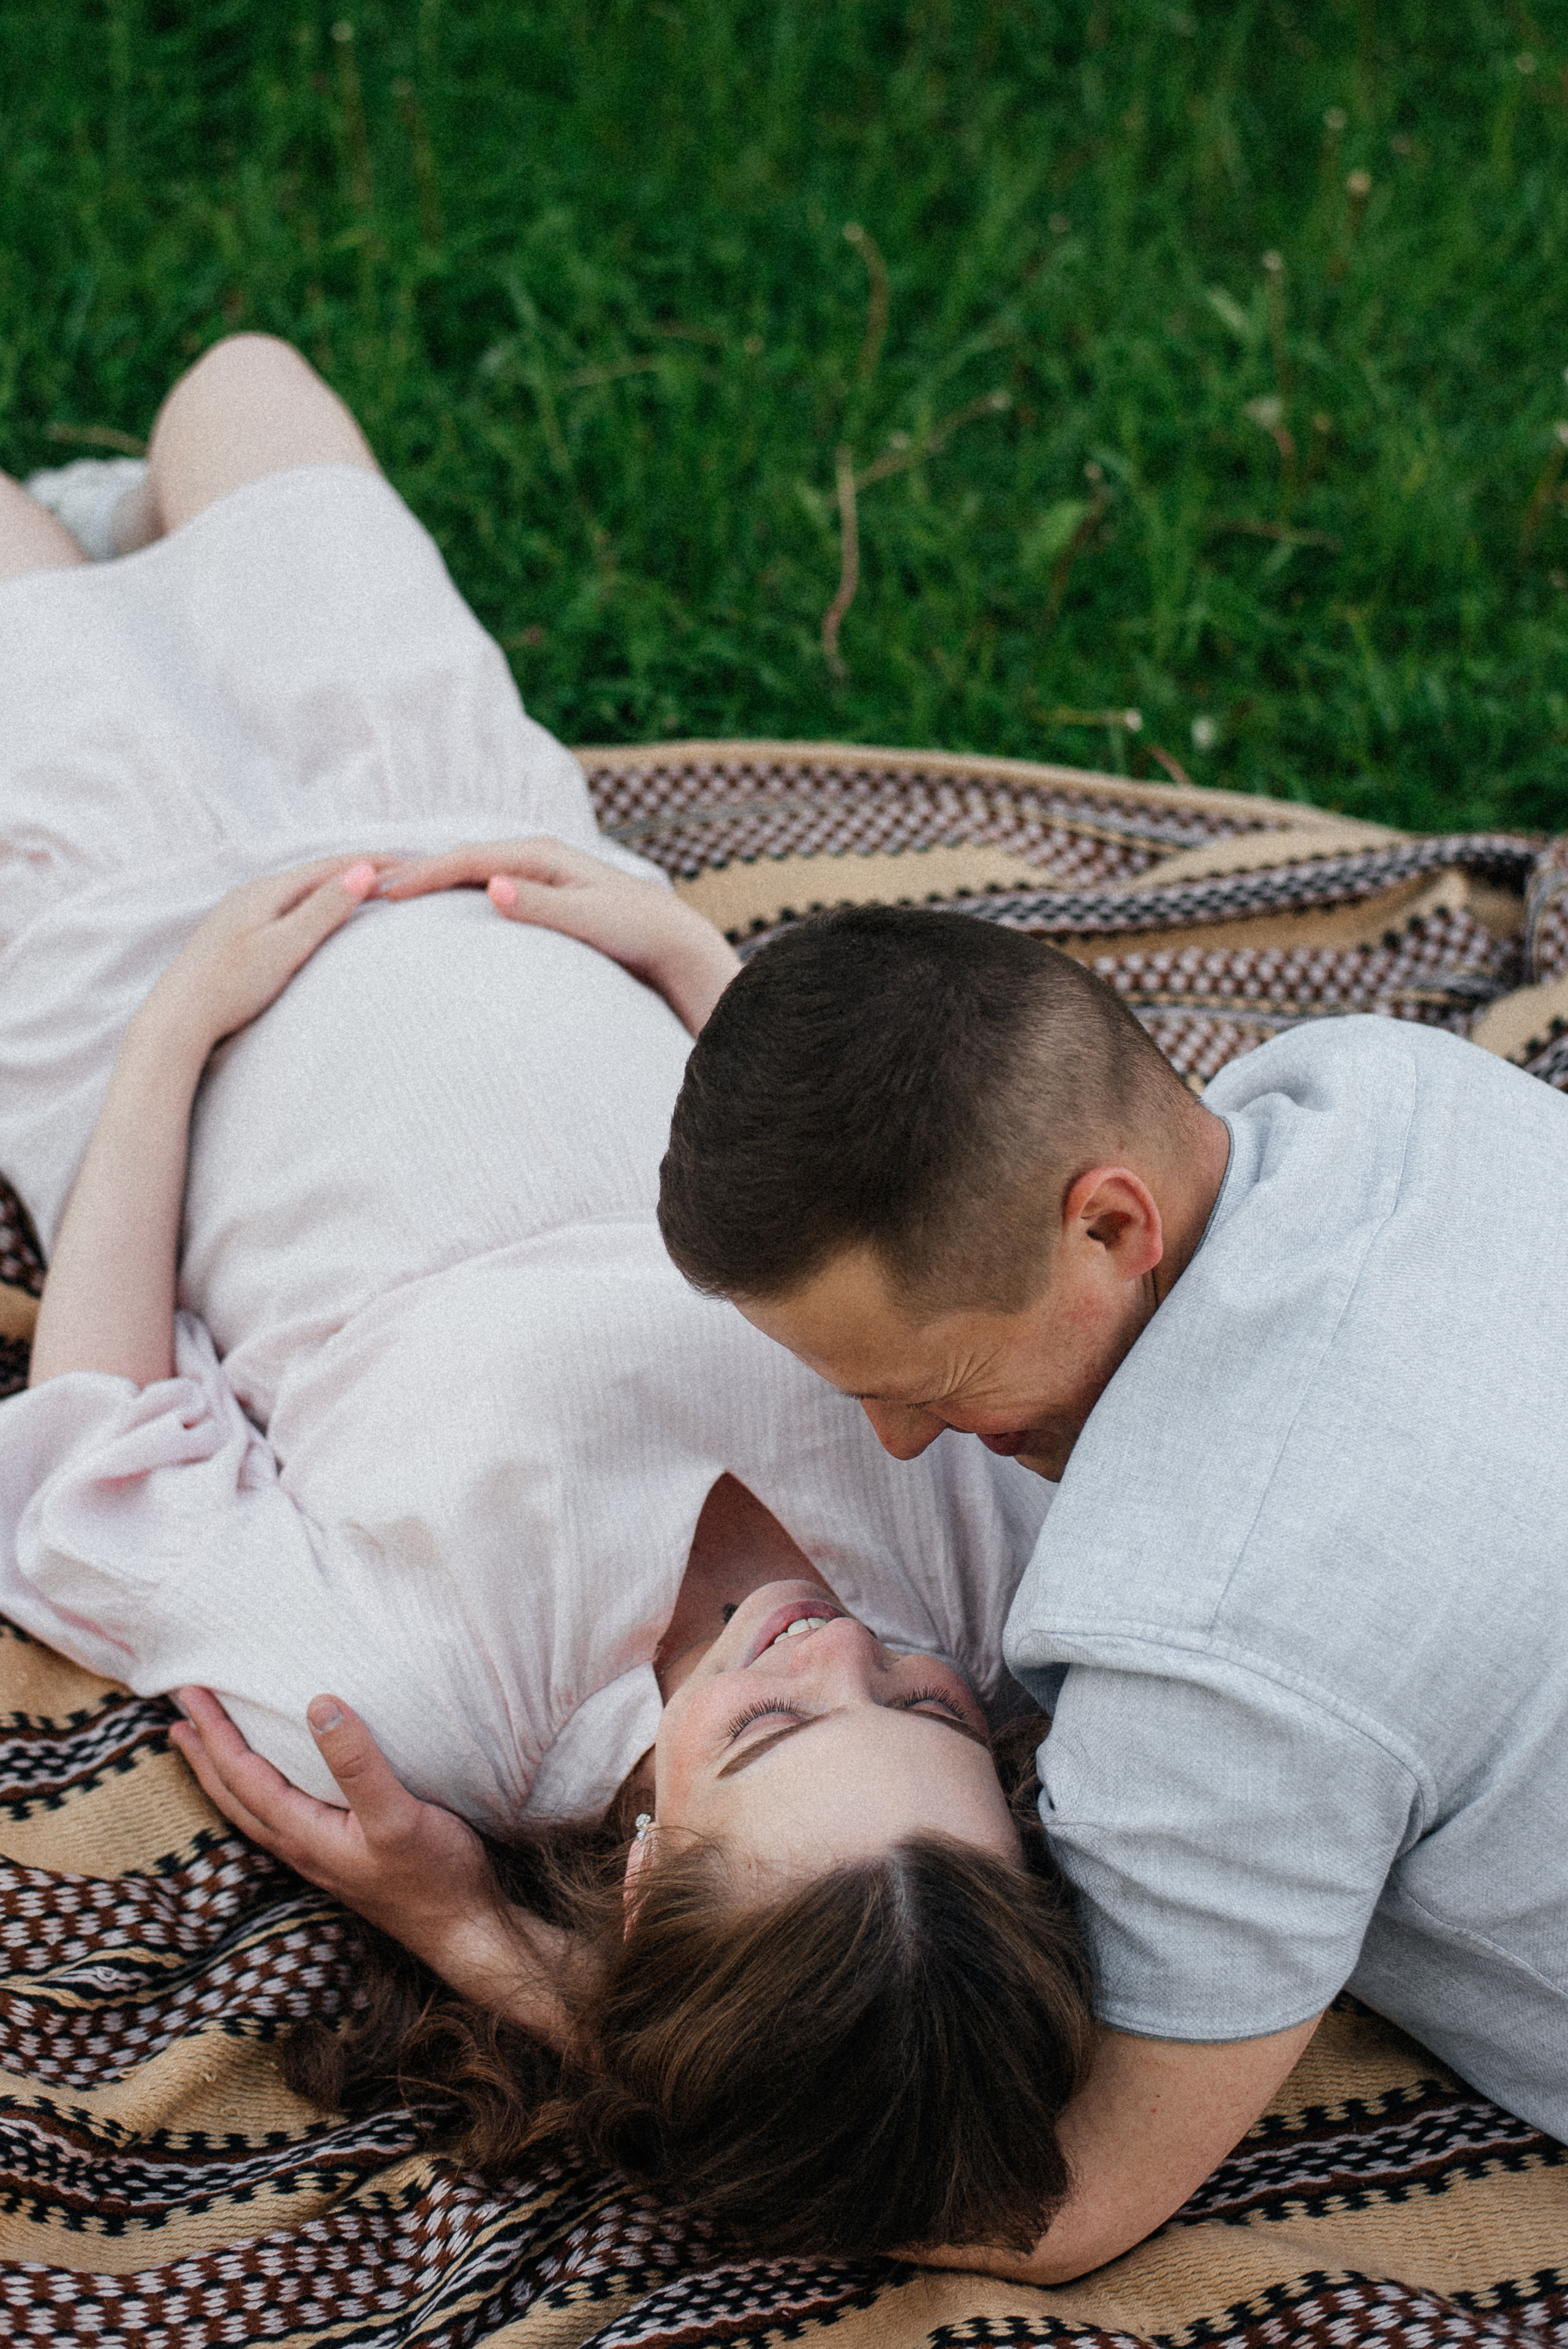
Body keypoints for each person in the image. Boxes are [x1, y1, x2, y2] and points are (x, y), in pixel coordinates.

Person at [0, 336, 1093, 2258]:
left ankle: (100, 588)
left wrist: (173, 1027)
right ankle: (135, 565)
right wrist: (688, 957)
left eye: (777, 1725)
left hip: (128, 933)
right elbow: (873, 1197)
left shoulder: (442, 1705)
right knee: (239, 385)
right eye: (918, 1704)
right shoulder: (1000, 1581)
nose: (834, 1640)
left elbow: (95, 1462)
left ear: (653, 1855)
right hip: (470, 830)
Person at [654, 900, 1568, 2282]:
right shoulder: (1379, 1082)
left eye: (932, 1384)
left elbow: (1051, 2208)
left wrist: (483, 1947)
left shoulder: (1197, 1658)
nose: (896, 1442)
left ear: (1106, 1224)